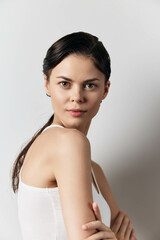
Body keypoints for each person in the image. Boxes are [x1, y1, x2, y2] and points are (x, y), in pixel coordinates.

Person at [12, 31, 137, 240]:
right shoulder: (69, 142)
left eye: (90, 85)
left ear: (105, 90)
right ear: (47, 84)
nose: (77, 97)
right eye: (65, 84)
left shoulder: (95, 171)